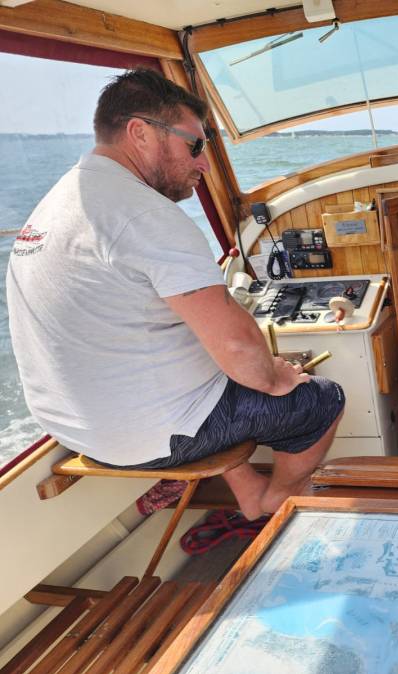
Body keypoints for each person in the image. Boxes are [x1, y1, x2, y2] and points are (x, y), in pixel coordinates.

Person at [7, 68, 344, 520]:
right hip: (148, 437)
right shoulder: (143, 213)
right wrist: (277, 376)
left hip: (75, 430)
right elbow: (238, 347)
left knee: (215, 368)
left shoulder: (54, 205)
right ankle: (270, 500)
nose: (204, 164)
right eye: (195, 146)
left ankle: (246, 489)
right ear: (140, 132)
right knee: (318, 398)